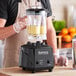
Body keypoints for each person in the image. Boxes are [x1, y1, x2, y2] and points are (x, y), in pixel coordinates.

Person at [0, 0, 57, 67]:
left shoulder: (43, 1)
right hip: (14, 63)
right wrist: (18, 26)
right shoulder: (6, 1)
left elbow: (49, 29)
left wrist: (55, 55)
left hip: (38, 62)